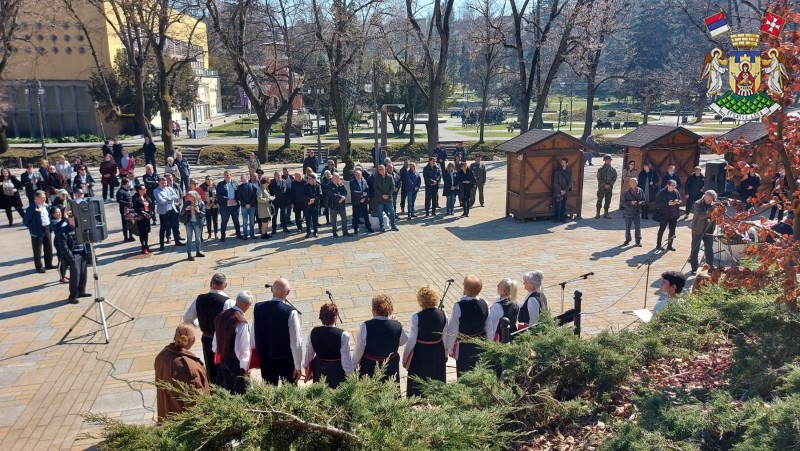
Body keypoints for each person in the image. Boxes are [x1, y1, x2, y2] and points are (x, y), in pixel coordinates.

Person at [182, 273, 234, 385]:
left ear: (211, 283)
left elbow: (187, 318)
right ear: (225, 285)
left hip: (206, 338)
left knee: (211, 368)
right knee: (224, 367)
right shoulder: (228, 302)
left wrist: (198, 324)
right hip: (221, 341)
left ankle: (213, 389)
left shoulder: (199, 299)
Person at [252, 278, 303, 386]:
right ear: (288, 292)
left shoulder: (258, 307)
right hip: (286, 360)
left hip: (265, 359)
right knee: (289, 393)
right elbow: (296, 342)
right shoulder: (290, 312)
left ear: (272, 290)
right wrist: (298, 366)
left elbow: (253, 334)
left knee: (270, 392)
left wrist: (256, 357)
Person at [154, 324, 210, 421]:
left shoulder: (162, 356)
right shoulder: (188, 366)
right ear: (193, 339)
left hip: (166, 416)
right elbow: (195, 401)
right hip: (183, 422)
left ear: (175, 337)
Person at [403, 285, 447, 397]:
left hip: (421, 354)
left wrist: (405, 358)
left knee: (419, 383)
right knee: (436, 382)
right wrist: (445, 355)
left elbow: (411, 341)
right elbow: (445, 337)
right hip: (437, 351)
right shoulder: (443, 314)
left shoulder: (416, 317)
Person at [353, 294, 408, 384]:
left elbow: (359, 348)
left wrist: (354, 364)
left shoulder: (366, 326)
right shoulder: (396, 325)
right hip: (390, 366)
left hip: (370, 367)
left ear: (374, 310)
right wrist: (395, 323)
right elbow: (403, 341)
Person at [444, 275, 489, 377]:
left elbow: (453, 330)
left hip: (465, 346)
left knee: (464, 371)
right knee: (479, 371)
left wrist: (449, 349)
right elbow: (488, 326)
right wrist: (489, 344)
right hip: (480, 342)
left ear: (465, 288)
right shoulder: (484, 303)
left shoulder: (458, 306)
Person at [212, 290, 254, 394]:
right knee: (241, 392)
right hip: (236, 363)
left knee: (228, 390)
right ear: (246, 304)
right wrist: (246, 367)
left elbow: (216, 339)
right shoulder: (241, 322)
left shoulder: (221, 315)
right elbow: (242, 348)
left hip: (223, 359)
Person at [303, 304, 354, 388]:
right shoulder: (343, 335)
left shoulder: (313, 331)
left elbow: (309, 354)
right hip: (337, 370)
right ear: (335, 317)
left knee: (321, 393)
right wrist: (351, 375)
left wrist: (306, 368)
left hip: (319, 368)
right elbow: (346, 361)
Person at [57, 212, 90, 304]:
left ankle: (81, 291)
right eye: (72, 218)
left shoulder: (80, 228)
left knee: (83, 274)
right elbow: (63, 247)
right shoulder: (63, 231)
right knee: (75, 276)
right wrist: (71, 257)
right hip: (74, 255)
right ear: (68, 219)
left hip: (82, 253)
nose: (75, 220)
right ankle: (73, 296)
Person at [23, 191, 55, 273]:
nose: (44, 199)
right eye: (42, 198)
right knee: (37, 250)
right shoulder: (32, 207)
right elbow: (26, 221)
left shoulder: (46, 206)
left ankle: (48, 264)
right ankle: (39, 267)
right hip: (37, 230)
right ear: (36, 198)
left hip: (47, 228)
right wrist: (33, 228)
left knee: (48, 247)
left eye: (44, 197)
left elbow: (49, 216)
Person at [689, 190, 717, 275]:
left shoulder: (714, 204)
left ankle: (710, 266)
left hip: (709, 229)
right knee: (695, 249)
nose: (709, 201)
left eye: (711, 199)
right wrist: (712, 209)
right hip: (698, 229)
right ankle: (694, 267)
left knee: (709, 249)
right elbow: (701, 216)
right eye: (708, 199)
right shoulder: (697, 203)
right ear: (704, 196)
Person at [154, 177, 184, 251]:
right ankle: (161, 245)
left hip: (172, 210)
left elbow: (176, 196)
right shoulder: (156, 190)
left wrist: (167, 198)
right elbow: (160, 201)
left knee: (175, 226)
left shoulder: (170, 188)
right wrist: (170, 199)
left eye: (165, 183)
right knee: (163, 228)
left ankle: (177, 241)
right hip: (164, 212)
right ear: (159, 183)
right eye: (162, 183)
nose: (164, 184)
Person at [487, 279, 519, 343]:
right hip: (513, 338)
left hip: (501, 340)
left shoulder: (497, 307)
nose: (497, 287)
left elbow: (492, 327)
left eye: (498, 286)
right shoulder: (516, 303)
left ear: (502, 290)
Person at [655, 179, 682, 251]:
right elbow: (657, 203)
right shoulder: (662, 192)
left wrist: (678, 201)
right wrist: (667, 203)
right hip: (664, 214)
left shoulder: (676, 191)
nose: (674, 187)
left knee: (672, 230)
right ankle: (658, 245)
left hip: (673, 214)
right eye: (672, 185)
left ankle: (670, 245)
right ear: (668, 185)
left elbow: (680, 199)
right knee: (662, 229)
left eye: (675, 185)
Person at [216, 171, 242, 242]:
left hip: (235, 206)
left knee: (236, 220)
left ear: (231, 175)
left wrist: (235, 200)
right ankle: (223, 236)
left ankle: (238, 234)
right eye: (225, 175)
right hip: (225, 206)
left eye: (228, 175)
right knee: (224, 221)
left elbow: (239, 193)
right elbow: (219, 195)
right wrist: (227, 200)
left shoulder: (235, 183)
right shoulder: (220, 184)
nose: (226, 176)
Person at [181, 190, 206, 261]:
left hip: (197, 223)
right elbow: (182, 213)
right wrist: (185, 209)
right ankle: (189, 254)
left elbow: (203, 214)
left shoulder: (201, 203)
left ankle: (198, 251)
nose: (188, 197)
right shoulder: (186, 203)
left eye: (189, 196)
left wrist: (198, 211)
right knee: (189, 239)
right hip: (189, 223)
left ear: (194, 196)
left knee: (198, 238)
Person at [373, 165, 398, 232]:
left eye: (380, 169)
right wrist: (382, 195)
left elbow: (392, 186)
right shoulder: (376, 177)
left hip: (389, 198)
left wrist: (387, 195)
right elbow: (375, 188)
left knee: (392, 212)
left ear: (384, 169)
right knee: (380, 213)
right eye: (378, 169)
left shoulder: (390, 177)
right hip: (380, 199)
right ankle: (382, 226)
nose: (378, 171)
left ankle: (393, 225)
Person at [622, 178, 646, 247]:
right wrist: (630, 202)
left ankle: (638, 241)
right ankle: (628, 239)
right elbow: (622, 203)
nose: (635, 183)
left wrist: (640, 203)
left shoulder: (640, 190)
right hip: (628, 213)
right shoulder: (626, 192)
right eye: (633, 182)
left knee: (638, 228)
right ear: (630, 183)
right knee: (628, 228)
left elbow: (644, 200)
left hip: (637, 212)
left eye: (636, 182)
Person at [50, 207, 70, 283]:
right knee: (61, 259)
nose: (60, 213)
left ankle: (64, 274)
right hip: (58, 242)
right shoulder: (53, 221)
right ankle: (61, 277)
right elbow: (56, 227)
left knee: (66, 259)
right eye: (57, 212)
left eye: (60, 212)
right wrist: (64, 219)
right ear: (53, 214)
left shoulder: (62, 220)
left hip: (65, 240)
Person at [350, 169, 373, 234]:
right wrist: (362, 193)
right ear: (354, 175)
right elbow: (353, 192)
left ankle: (368, 227)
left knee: (366, 215)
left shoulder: (364, 181)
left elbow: (367, 190)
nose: (357, 176)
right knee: (356, 215)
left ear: (361, 175)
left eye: (359, 175)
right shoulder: (352, 182)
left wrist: (364, 198)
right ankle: (355, 228)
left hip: (363, 201)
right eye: (356, 175)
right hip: (356, 201)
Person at [235, 174, 257, 240]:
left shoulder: (252, 186)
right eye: (241, 178)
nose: (242, 179)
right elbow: (239, 197)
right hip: (244, 207)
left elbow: (254, 196)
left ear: (247, 178)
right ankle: (245, 235)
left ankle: (252, 234)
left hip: (252, 206)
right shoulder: (239, 187)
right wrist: (245, 204)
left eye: (243, 177)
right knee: (245, 221)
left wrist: (250, 204)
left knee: (252, 221)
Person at [132, 184, 152, 254]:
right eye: (143, 189)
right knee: (142, 233)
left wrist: (150, 212)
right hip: (141, 218)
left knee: (146, 232)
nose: (145, 190)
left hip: (147, 217)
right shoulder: (135, 198)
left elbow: (150, 205)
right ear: (139, 190)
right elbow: (136, 208)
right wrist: (141, 213)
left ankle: (147, 246)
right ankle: (143, 247)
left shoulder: (146, 196)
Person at [596, 154, 617, 219]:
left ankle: (606, 213)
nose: (608, 161)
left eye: (609, 160)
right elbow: (599, 178)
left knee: (608, 200)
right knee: (599, 200)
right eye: (607, 160)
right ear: (604, 160)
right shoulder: (600, 169)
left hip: (609, 188)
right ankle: (598, 213)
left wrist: (610, 185)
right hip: (602, 188)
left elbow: (614, 178)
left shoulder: (613, 170)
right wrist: (604, 185)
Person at [553, 157, 573, 223]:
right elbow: (555, 182)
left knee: (564, 206)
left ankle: (562, 218)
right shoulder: (557, 171)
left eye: (564, 163)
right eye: (562, 162)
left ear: (567, 163)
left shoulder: (569, 171)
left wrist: (565, 190)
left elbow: (570, 182)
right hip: (558, 191)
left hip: (565, 191)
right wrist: (561, 190)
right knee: (557, 206)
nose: (563, 164)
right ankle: (556, 219)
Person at [115, 178, 135, 242]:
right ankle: (125, 237)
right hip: (124, 209)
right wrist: (127, 203)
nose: (129, 184)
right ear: (126, 183)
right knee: (125, 223)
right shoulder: (120, 191)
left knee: (131, 222)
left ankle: (131, 235)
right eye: (128, 182)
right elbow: (119, 200)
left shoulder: (128, 190)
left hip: (130, 209)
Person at [303, 173, 322, 238]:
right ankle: (308, 232)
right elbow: (303, 195)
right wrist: (309, 200)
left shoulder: (317, 186)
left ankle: (315, 232)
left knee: (315, 220)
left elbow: (320, 195)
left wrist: (313, 200)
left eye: (311, 179)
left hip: (315, 205)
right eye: (308, 179)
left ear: (314, 179)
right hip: (307, 205)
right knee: (308, 220)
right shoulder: (305, 186)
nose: (309, 180)